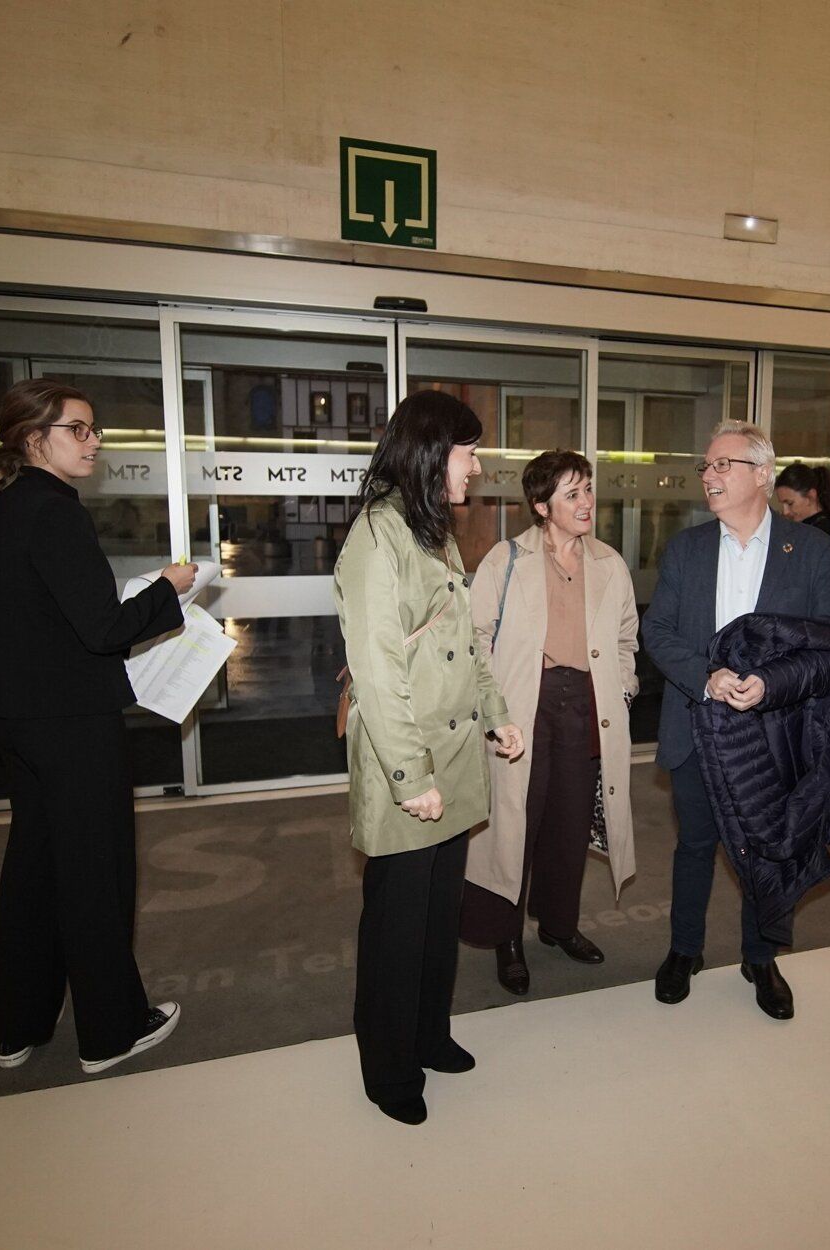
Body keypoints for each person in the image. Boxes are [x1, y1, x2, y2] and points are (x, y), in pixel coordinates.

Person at [0, 378, 197, 1076]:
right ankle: (110, 1032)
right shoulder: (55, 512)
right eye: (77, 428)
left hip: (20, 718)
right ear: (32, 437)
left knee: (34, 873)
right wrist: (168, 589)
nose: (92, 441)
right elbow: (100, 630)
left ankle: (20, 1027)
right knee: (93, 875)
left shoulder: (7, 509)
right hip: (72, 722)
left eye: (93, 428)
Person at [334, 389, 524, 1126]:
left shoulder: (430, 529)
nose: (475, 467)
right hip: (405, 765)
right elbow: (378, 673)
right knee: (396, 924)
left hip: (451, 755)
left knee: (438, 911)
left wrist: (498, 715)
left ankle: (427, 1033)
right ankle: (386, 1066)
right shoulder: (375, 538)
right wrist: (411, 779)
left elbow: (464, 641)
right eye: (468, 451)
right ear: (430, 451)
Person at [642, 421, 830, 1019]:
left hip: (774, 730)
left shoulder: (812, 553)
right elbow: (658, 631)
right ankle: (684, 951)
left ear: (762, 475)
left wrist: (773, 682)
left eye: (722, 465)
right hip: (698, 723)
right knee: (696, 845)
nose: (709, 476)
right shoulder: (687, 548)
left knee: (767, 849)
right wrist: (707, 674)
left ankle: (761, 957)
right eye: (705, 467)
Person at [461, 451, 640, 995]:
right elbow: (475, 637)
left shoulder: (609, 563)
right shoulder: (506, 559)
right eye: (572, 494)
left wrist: (624, 689)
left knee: (568, 824)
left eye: (587, 490)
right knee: (517, 823)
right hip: (524, 707)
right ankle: (507, 938)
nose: (586, 502)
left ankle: (559, 926)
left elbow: (628, 637)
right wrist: (493, 710)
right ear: (542, 506)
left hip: (587, 705)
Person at [773, 461, 830, 540]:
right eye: (783, 504)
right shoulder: (809, 527)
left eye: (790, 504)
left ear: (811, 496)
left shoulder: (820, 533)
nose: (785, 512)